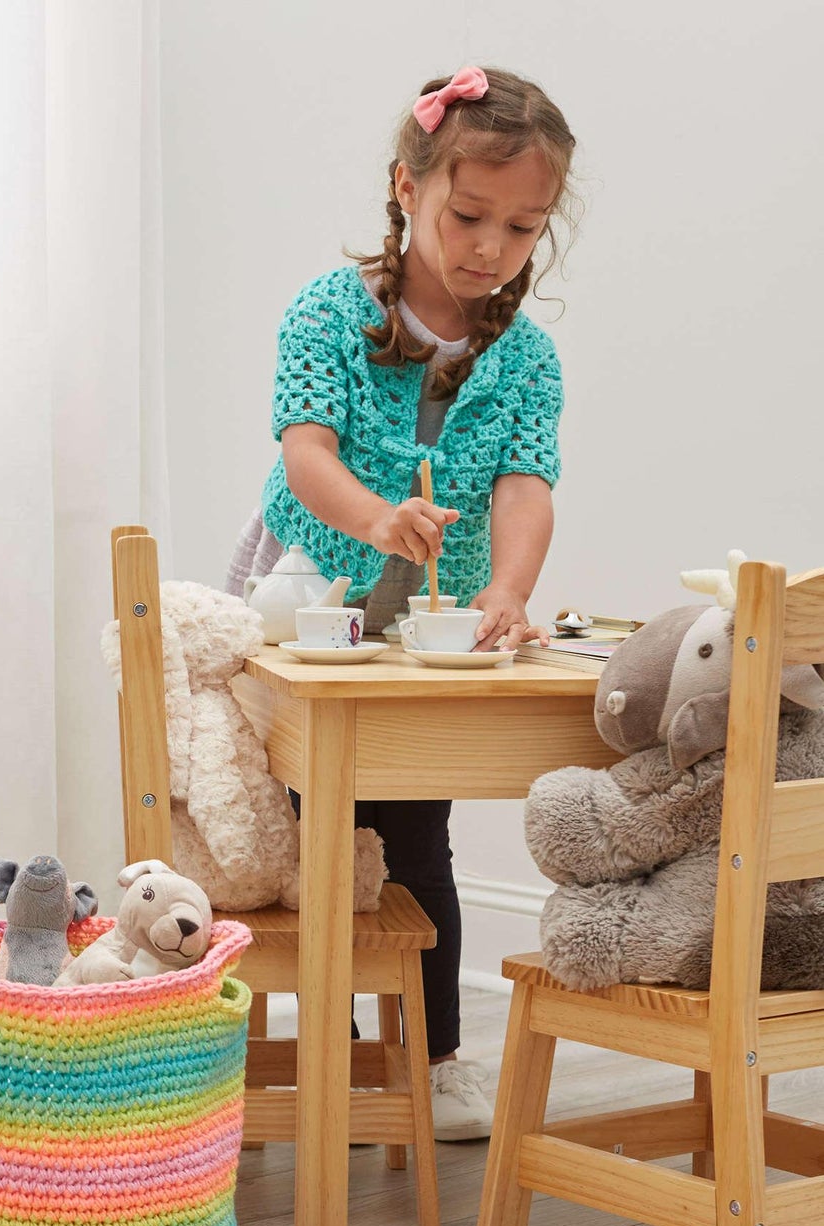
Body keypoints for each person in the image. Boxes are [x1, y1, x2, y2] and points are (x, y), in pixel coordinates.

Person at [225, 66, 578, 1141]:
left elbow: (522, 487)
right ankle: (301, 1042)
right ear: (406, 187)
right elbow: (303, 455)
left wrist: (507, 591)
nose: (488, 248)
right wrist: (378, 517)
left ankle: (432, 1056)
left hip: (425, 628)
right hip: (304, 597)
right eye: (466, 216)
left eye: (520, 229)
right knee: (294, 828)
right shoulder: (326, 315)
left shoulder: (523, 359)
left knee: (414, 833)